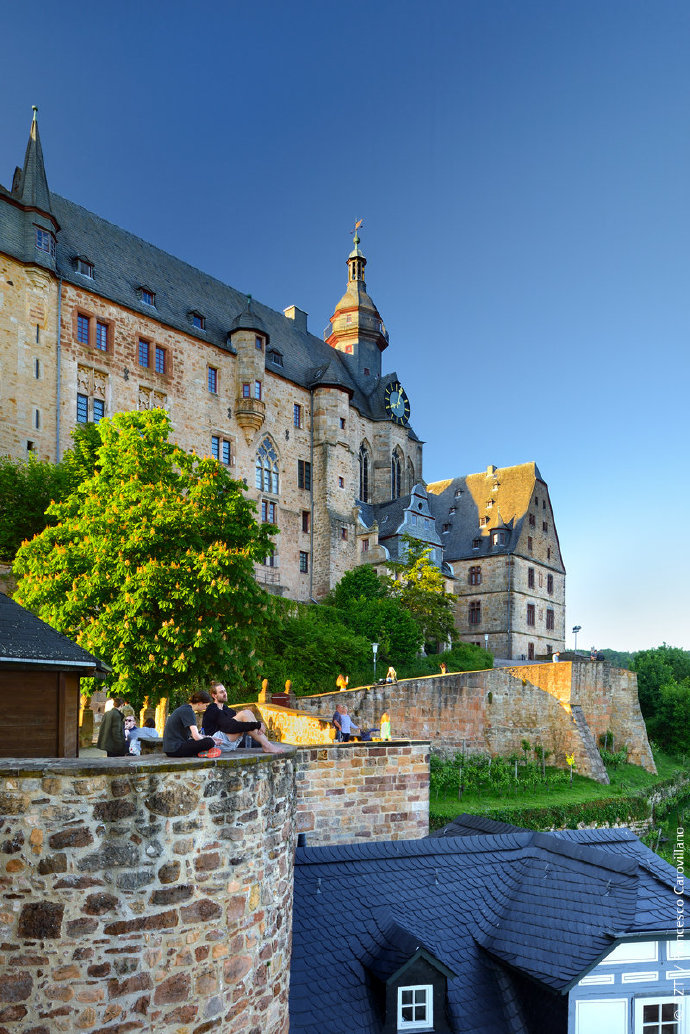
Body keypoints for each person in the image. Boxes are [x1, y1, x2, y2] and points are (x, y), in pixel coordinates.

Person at [203, 682, 285, 754]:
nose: (225, 694)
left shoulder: (228, 710)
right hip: (215, 742)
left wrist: (258, 725)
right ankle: (267, 745)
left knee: (248, 713)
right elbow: (229, 727)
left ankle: (266, 744)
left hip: (230, 743)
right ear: (214, 695)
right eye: (221, 692)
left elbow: (241, 726)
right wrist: (257, 725)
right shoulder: (212, 710)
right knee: (244, 714)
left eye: (225, 691)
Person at [163, 691, 221, 758]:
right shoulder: (189, 711)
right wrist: (213, 741)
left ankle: (200, 752)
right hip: (175, 749)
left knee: (209, 740)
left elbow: (193, 735)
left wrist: (210, 737)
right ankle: (202, 752)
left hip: (170, 749)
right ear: (200, 703)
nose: (206, 708)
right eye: (206, 705)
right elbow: (196, 736)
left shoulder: (185, 709)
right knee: (209, 742)